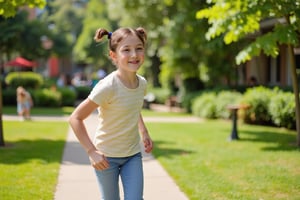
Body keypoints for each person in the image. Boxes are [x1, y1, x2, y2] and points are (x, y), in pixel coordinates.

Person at [69, 27, 153, 200]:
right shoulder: (108, 86)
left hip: (132, 155)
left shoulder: (142, 84)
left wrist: (144, 132)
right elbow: (75, 118)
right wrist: (91, 151)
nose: (134, 54)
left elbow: (133, 108)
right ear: (114, 56)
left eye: (139, 48)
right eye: (126, 50)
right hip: (106, 158)